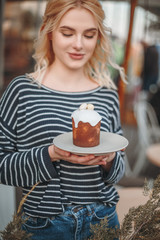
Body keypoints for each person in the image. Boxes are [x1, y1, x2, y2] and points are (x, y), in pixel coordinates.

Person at [0, 0, 126, 239]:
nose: (78, 44)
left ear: (98, 38)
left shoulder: (107, 95)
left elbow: (119, 171)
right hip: (44, 225)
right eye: (67, 33)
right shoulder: (22, 90)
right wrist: (51, 154)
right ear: (48, 32)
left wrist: (109, 159)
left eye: (89, 35)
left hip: (103, 220)